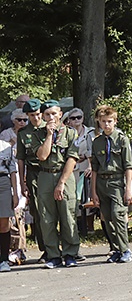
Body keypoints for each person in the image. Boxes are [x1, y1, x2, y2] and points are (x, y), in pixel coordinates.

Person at [34, 100, 80, 269]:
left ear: (61, 114)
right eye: (47, 114)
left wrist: (61, 183)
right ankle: (53, 255)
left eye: (54, 113)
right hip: (45, 176)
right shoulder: (38, 133)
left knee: (68, 216)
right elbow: (42, 156)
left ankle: (70, 253)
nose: (51, 117)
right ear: (43, 117)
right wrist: (48, 135)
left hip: (64, 176)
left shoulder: (70, 133)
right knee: (47, 218)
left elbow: (72, 159)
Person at [90, 106, 132, 263]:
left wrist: (128, 188)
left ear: (115, 121)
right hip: (102, 182)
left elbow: (128, 166)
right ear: (99, 122)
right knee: (107, 217)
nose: (106, 125)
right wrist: (93, 191)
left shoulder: (122, 139)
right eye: (103, 122)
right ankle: (115, 248)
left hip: (117, 181)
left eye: (109, 121)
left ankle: (125, 249)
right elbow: (94, 168)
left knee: (118, 215)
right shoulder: (97, 142)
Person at [15, 99, 46, 261]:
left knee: (55, 211)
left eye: (38, 114)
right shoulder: (23, 133)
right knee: (38, 212)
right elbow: (20, 159)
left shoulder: (48, 129)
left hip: (49, 171)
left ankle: (62, 246)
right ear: (27, 115)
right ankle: (45, 248)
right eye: (32, 115)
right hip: (33, 174)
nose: (36, 118)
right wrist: (22, 182)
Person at [64, 107, 96, 240]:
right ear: (68, 120)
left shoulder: (91, 132)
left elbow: (93, 151)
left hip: (86, 168)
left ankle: (90, 227)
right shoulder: (66, 133)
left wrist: (89, 164)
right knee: (74, 199)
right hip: (72, 170)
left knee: (87, 197)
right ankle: (78, 228)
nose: (76, 120)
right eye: (73, 118)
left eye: (79, 117)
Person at [1, 136, 24, 272]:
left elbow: (13, 171)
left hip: (3, 183)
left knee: (4, 223)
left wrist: (15, 193)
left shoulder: (5, 146)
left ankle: (3, 259)